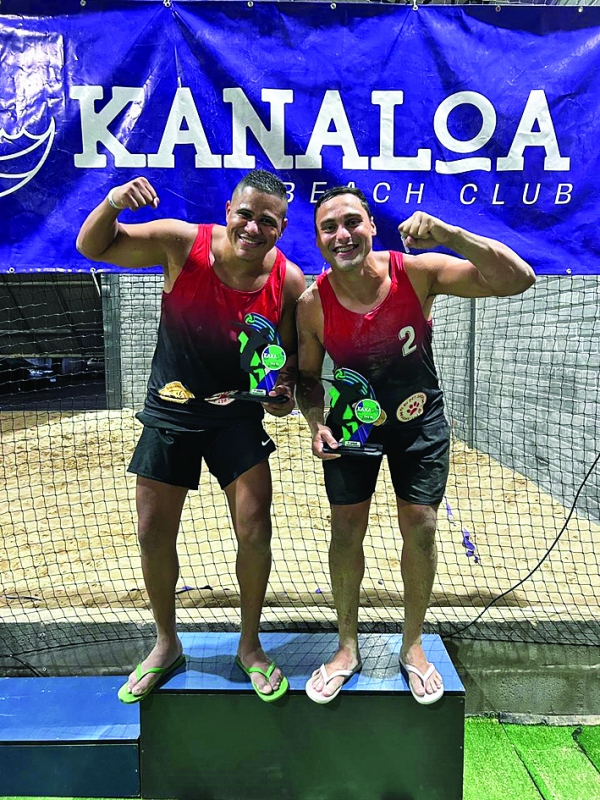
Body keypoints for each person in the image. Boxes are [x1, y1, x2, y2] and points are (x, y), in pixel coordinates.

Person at [296, 187, 535, 705]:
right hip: (353, 426)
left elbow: (519, 279)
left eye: (352, 222)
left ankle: (412, 646)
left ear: (371, 227)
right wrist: (315, 421)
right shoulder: (312, 304)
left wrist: (449, 234)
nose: (343, 235)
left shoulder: (418, 272)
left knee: (421, 527)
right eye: (328, 227)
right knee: (345, 530)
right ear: (317, 240)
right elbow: (308, 380)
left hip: (418, 420)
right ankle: (346, 647)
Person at [76, 170, 305, 703]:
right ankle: (166, 643)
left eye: (267, 221)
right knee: (153, 532)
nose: (253, 227)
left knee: (254, 528)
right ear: (229, 209)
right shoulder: (183, 244)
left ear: (282, 227)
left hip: (236, 420)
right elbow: (93, 245)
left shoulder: (289, 283)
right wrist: (113, 201)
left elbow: (286, 365)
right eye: (245, 214)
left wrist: (283, 397)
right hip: (171, 410)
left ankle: (250, 646)